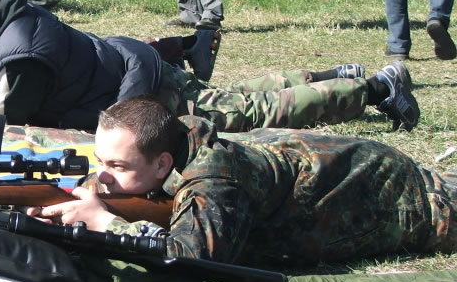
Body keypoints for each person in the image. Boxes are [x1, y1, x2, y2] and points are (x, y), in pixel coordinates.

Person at [0, 0, 419, 133]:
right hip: (136, 71)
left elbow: (5, 119)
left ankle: (375, 87)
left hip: (142, 90)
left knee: (253, 112)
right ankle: (337, 75)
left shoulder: (18, 49)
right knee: (236, 97)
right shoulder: (15, 20)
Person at [28, 96, 457, 267]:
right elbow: (112, 181)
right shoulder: (169, 140)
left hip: (398, 194)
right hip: (337, 164)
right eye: (100, 161)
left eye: (117, 166)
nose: (103, 175)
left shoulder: (215, 179)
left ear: (162, 164)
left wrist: (105, 222)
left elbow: (191, 258)